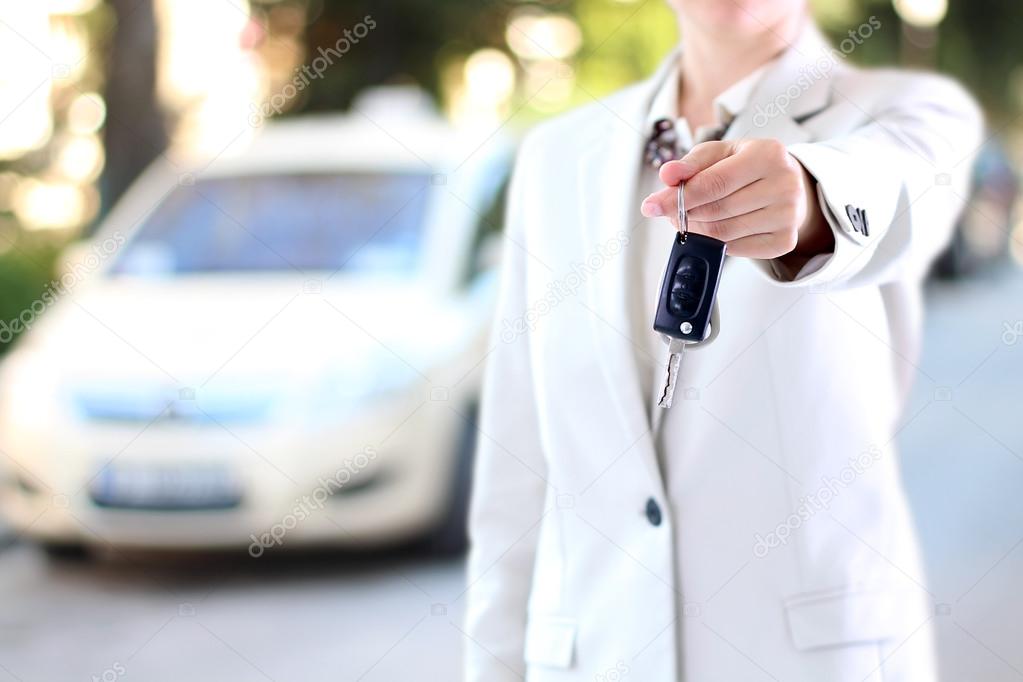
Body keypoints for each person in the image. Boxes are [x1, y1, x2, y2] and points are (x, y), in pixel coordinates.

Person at [464, 1, 982, 680]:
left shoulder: (909, 110)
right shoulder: (555, 157)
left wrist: (807, 201)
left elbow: (891, 186)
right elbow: (516, 463)